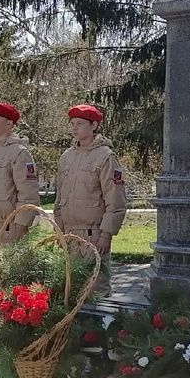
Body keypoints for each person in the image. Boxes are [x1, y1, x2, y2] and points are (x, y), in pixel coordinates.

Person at [54, 104, 127, 292]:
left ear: (94, 125)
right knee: (70, 290)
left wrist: (106, 234)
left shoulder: (105, 156)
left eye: (80, 123)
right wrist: (59, 229)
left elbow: (115, 198)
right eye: (72, 124)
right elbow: (60, 196)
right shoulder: (66, 157)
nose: (74, 128)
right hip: (70, 235)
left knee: (96, 289)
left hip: (93, 235)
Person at [0, 101, 40, 244]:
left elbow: (28, 193)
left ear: (9, 124)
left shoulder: (19, 153)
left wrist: (21, 226)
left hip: (10, 227)